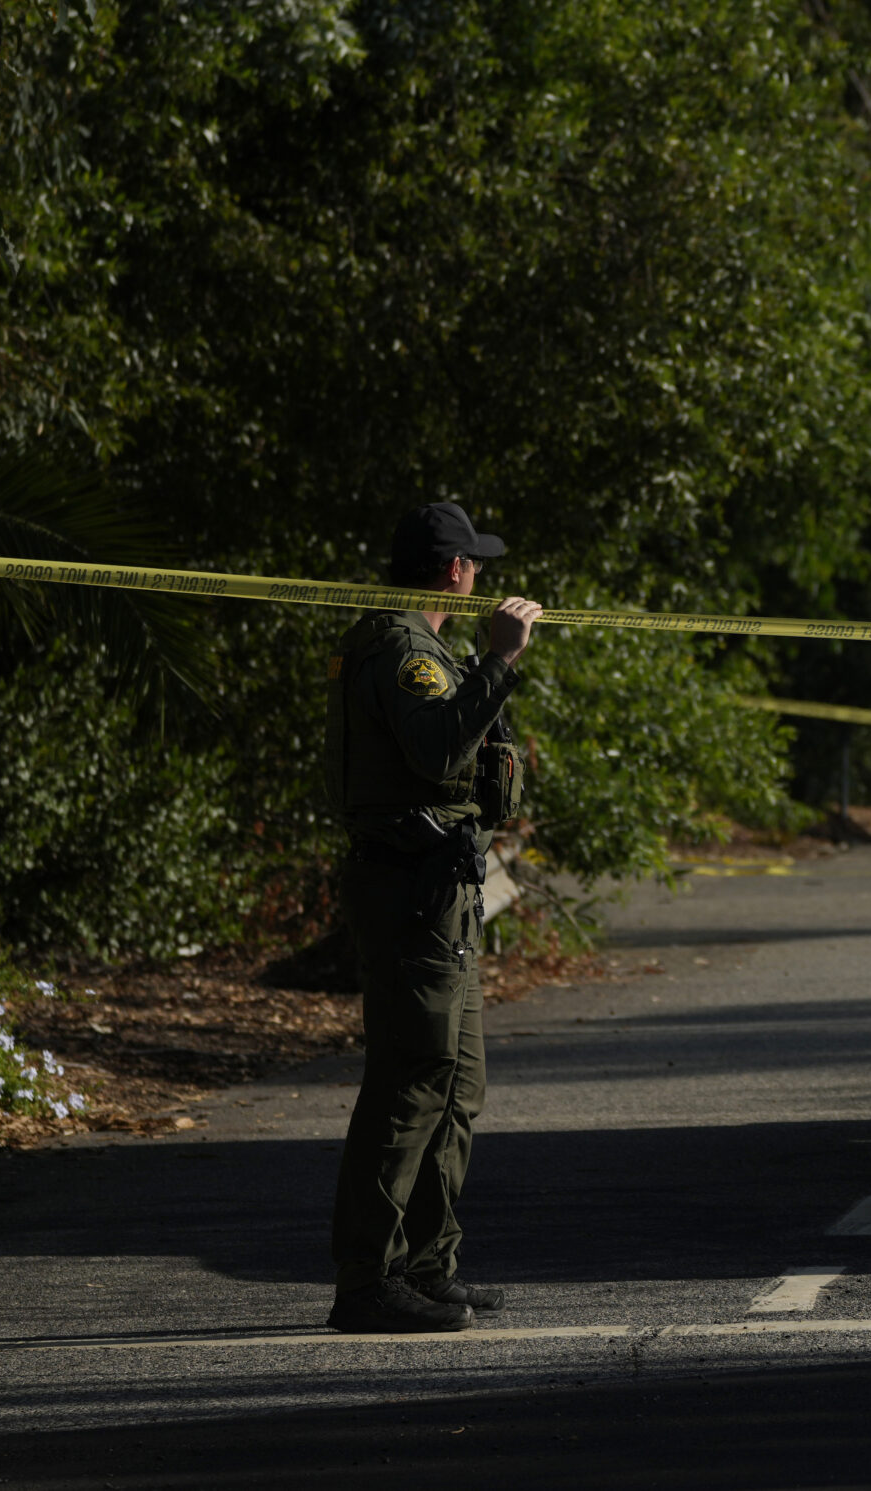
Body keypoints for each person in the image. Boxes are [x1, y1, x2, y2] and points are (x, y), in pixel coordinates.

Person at [323, 501, 541, 1334]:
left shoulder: (418, 642)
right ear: (454, 570)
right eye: (475, 562)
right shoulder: (409, 649)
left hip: (441, 891)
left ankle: (424, 1263)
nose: (482, 574)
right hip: (412, 890)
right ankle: (367, 1278)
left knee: (456, 1083)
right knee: (410, 1081)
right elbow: (439, 751)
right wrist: (502, 662)